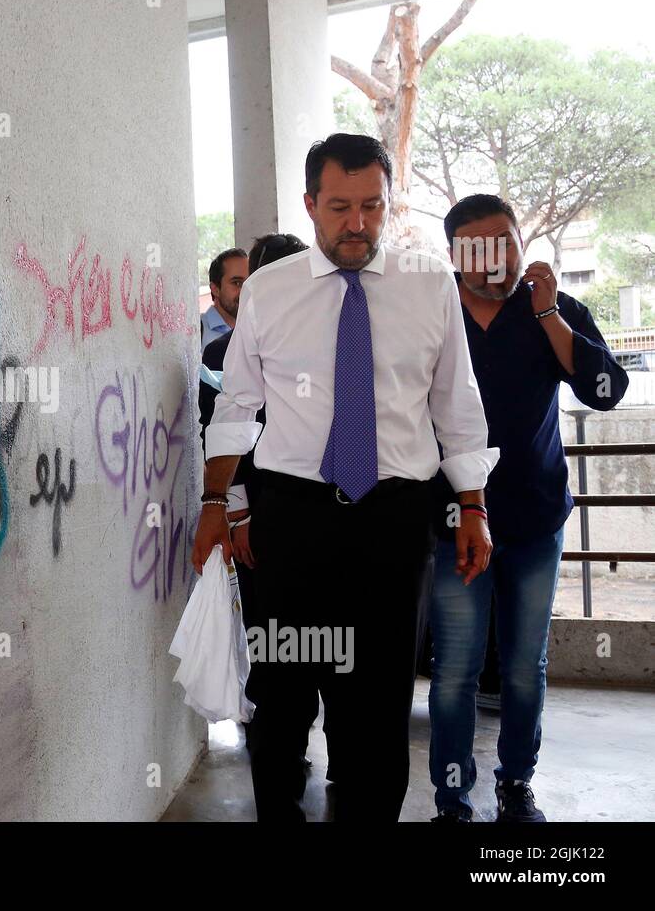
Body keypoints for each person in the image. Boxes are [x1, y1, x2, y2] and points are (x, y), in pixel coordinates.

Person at [192, 133, 498, 822]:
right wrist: (219, 501)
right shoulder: (269, 290)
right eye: (338, 207)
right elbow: (237, 403)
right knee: (282, 692)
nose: (356, 223)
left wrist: (472, 506)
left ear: (390, 205)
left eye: (371, 206)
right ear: (310, 205)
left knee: (379, 701)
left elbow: (456, 402)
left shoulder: (429, 288)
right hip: (292, 521)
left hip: (393, 522)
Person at [428, 194, 629, 823]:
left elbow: (605, 391)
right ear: (456, 254)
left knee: (523, 666)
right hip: (454, 519)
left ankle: (516, 784)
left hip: (536, 517)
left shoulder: (552, 308)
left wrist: (548, 315)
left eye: (508, 241)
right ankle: (452, 799)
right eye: (481, 246)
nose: (499, 259)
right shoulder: (431, 314)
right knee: (455, 668)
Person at [197, 233, 320, 778]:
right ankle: (280, 757)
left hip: (326, 515)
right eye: (249, 280)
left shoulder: (331, 342)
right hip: (262, 515)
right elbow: (224, 434)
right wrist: (237, 513)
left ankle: (332, 750)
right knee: (275, 648)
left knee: (334, 643)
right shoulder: (220, 354)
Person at [201, 247, 248, 348]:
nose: (246, 291)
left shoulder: (256, 331)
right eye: (237, 283)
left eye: (249, 283)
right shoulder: (198, 332)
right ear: (215, 289)